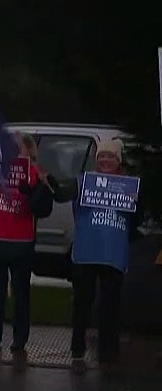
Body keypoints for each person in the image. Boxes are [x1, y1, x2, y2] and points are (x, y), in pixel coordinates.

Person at [0, 132, 57, 353]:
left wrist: (32, 192)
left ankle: (19, 339)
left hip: (21, 244)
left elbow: (43, 209)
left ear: (28, 151)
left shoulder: (35, 174)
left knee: (21, 296)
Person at [67, 138, 139, 363]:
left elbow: (137, 221)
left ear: (119, 161)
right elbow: (63, 195)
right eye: (102, 156)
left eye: (111, 156)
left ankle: (109, 351)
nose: (105, 160)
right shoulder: (83, 182)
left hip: (113, 254)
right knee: (82, 301)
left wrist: (137, 203)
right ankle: (77, 347)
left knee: (111, 305)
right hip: (87, 251)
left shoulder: (129, 186)